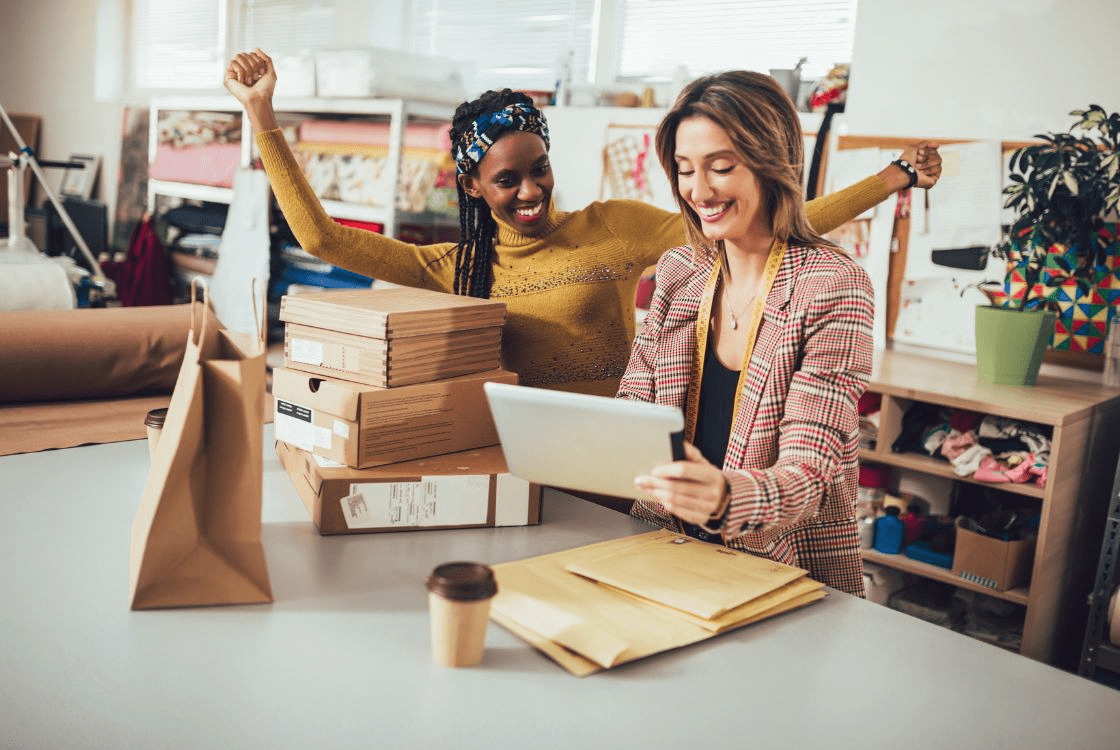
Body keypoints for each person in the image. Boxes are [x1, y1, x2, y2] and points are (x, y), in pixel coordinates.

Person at [224, 49, 940, 397]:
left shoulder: (616, 227)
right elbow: (318, 240)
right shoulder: (450, 267)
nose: (531, 190)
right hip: (516, 460)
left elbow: (771, 223)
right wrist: (262, 119)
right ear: (472, 187)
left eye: (540, 167)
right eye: (508, 179)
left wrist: (891, 179)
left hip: (622, 461)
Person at [626, 70, 879, 596]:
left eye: (721, 167)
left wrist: (722, 497)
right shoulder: (677, 273)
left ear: (774, 163)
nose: (699, 191)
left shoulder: (833, 285)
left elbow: (809, 475)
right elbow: (632, 411)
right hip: (661, 555)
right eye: (684, 170)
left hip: (778, 574)